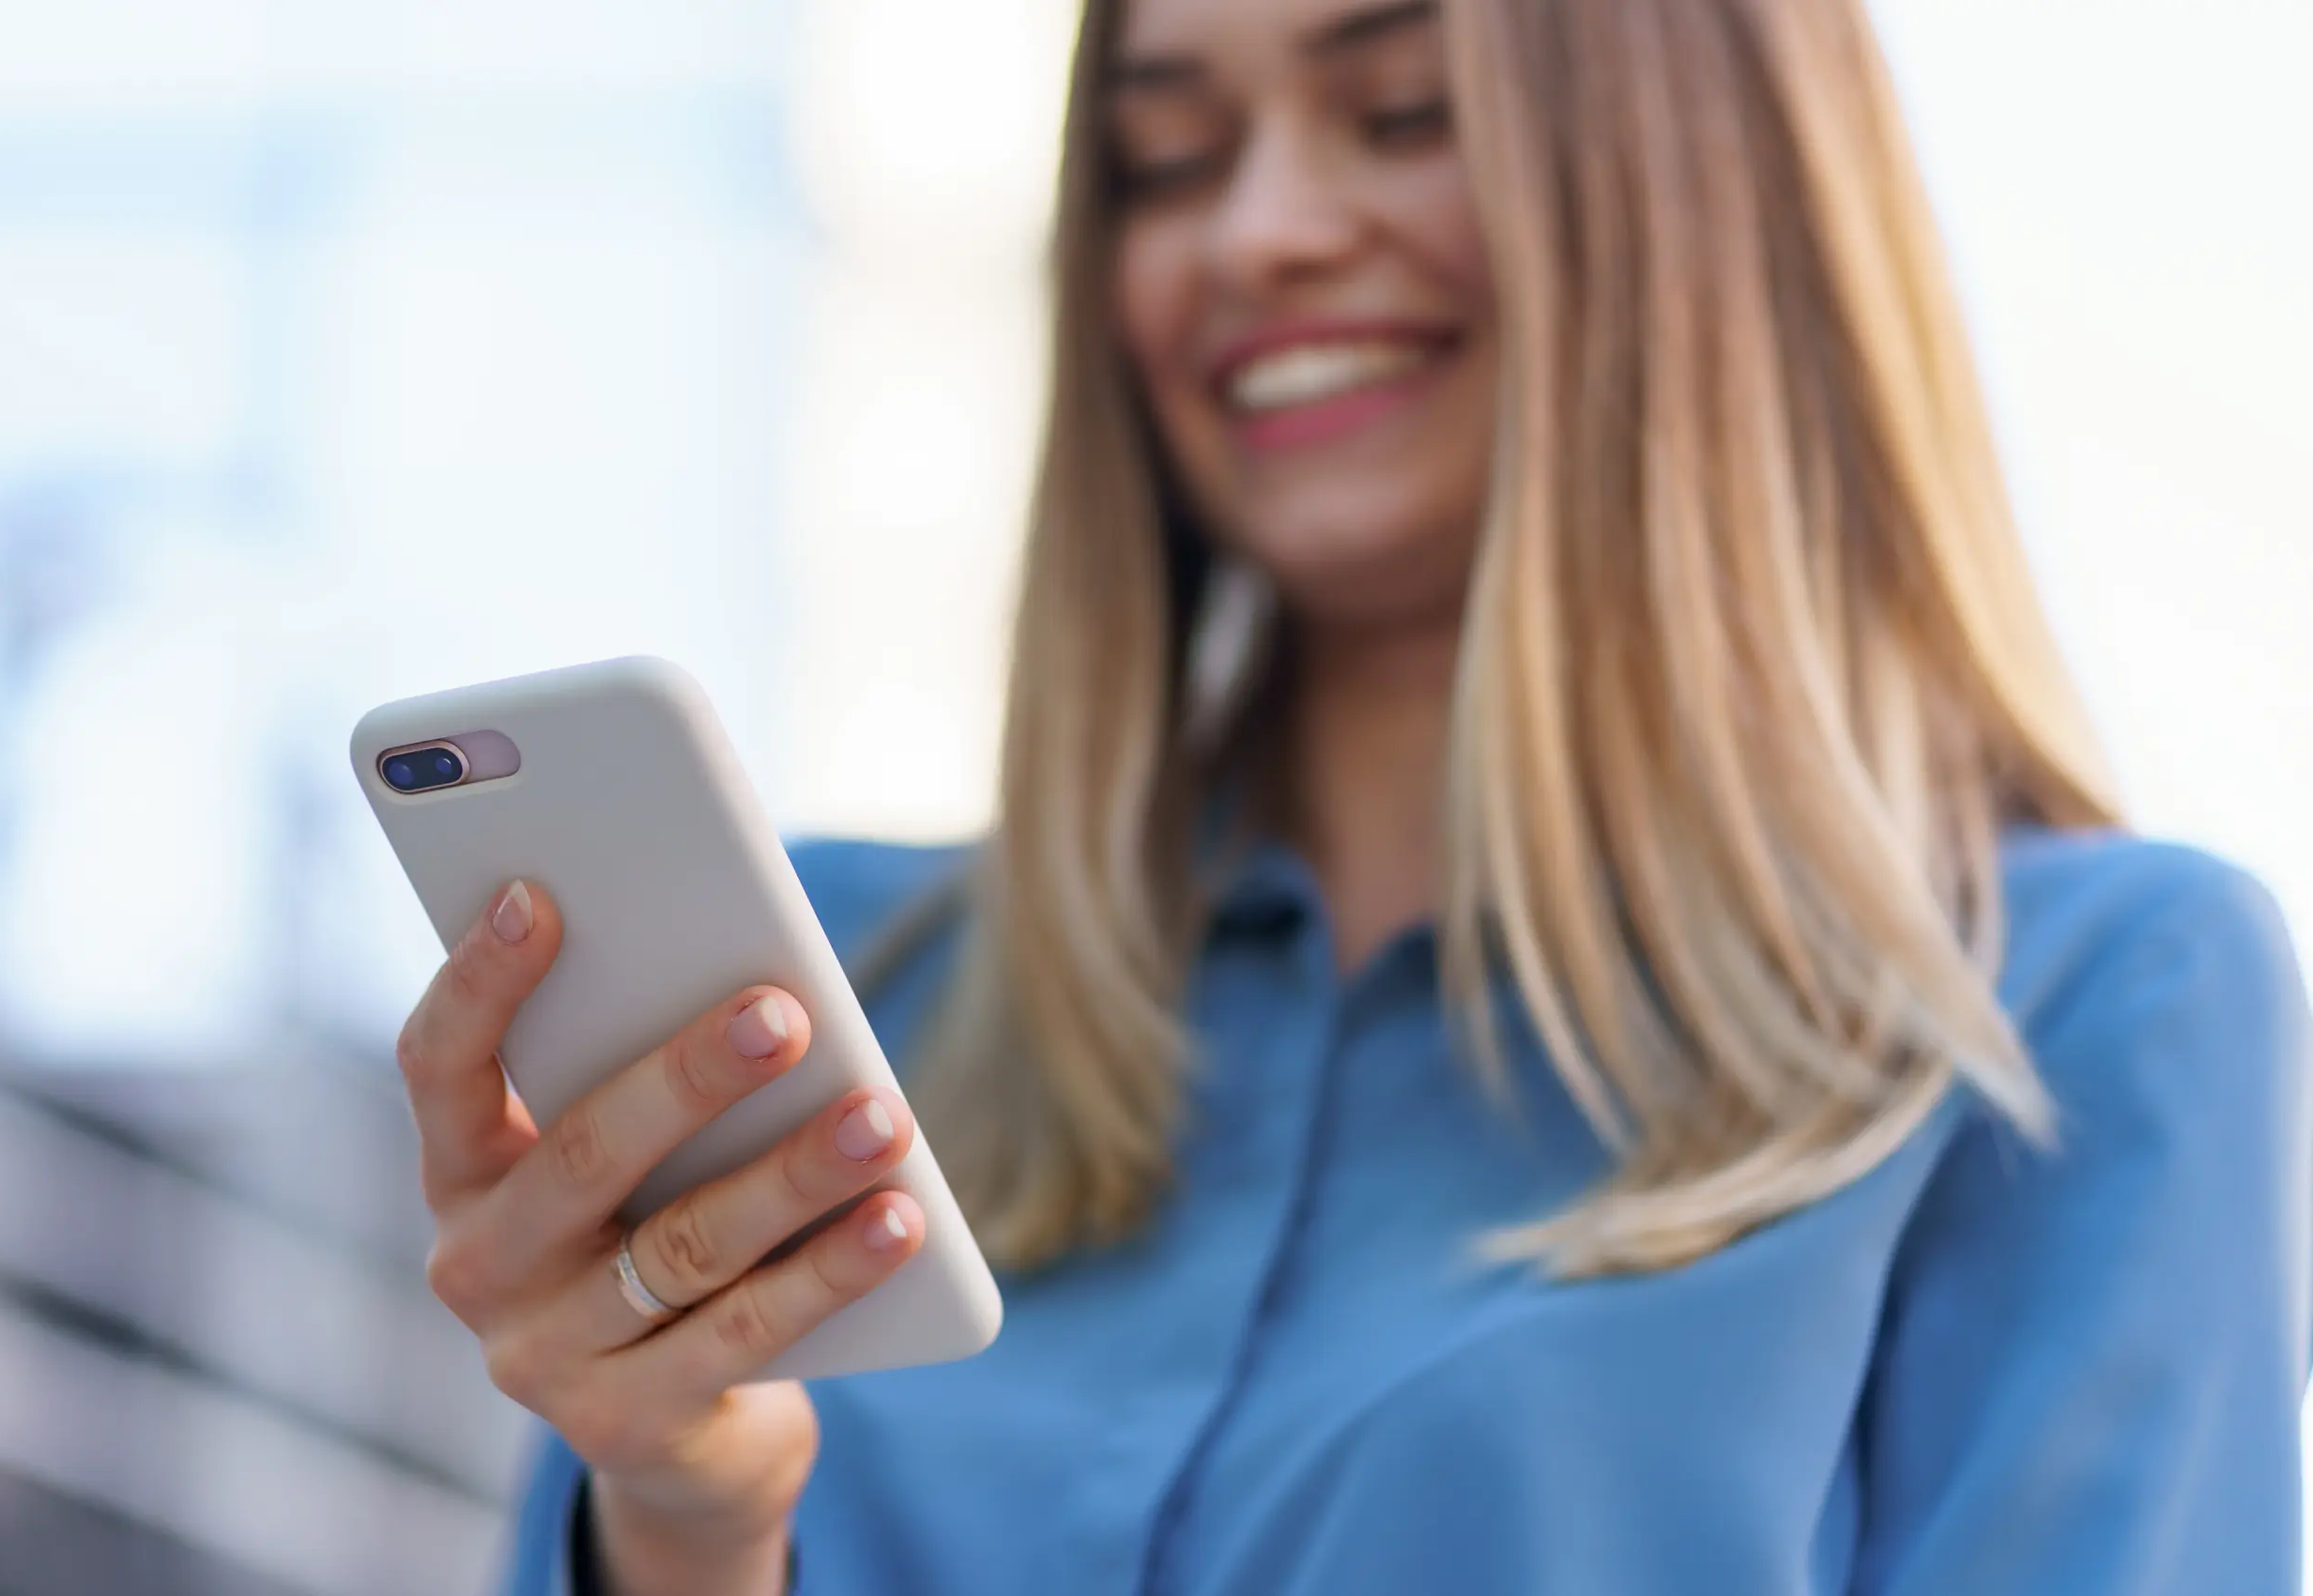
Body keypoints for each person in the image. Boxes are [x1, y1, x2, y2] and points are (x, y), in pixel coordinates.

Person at [390, 0, 2313, 1591]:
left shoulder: (2091, 1005)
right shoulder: (834, 1004)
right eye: (1167, 157)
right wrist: (686, 1526)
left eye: (1402, 112)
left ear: (1715, 192)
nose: (1260, 233)